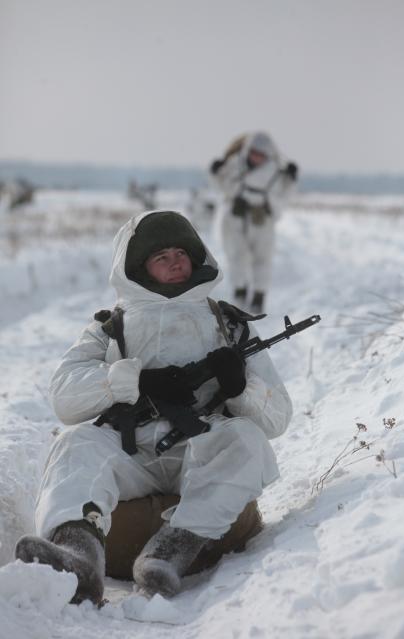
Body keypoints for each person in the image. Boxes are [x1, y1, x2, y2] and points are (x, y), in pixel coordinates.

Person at [15, 210, 293, 604]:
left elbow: (279, 417)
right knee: (75, 442)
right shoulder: (110, 328)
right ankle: (79, 560)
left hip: (201, 451)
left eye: (181, 251)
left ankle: (168, 554)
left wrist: (239, 387)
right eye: (161, 255)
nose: (176, 260)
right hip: (131, 451)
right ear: (137, 268)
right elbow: (63, 396)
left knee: (246, 439)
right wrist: (132, 381)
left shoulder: (228, 324)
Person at [210, 132, 299, 314]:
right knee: (236, 256)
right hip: (235, 218)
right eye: (253, 152)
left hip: (262, 221)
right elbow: (221, 185)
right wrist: (215, 171)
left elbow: (285, 194)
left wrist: (291, 177)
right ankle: (239, 292)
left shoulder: (276, 172)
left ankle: (259, 296)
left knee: (262, 259)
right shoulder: (234, 166)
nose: (256, 157)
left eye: (261, 154)